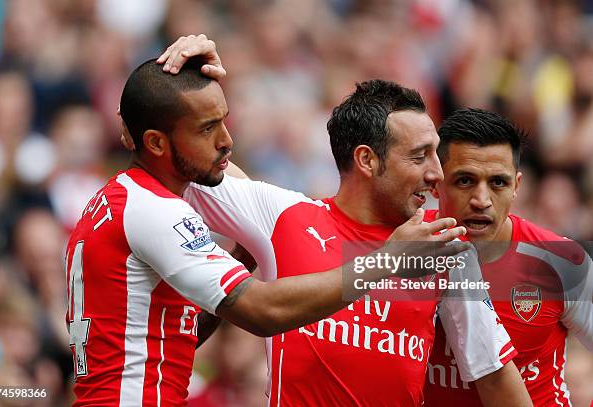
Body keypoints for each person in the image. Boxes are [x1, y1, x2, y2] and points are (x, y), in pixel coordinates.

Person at [65, 36, 467, 405]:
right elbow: (261, 312)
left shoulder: (124, 198)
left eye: (224, 120)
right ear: (154, 142)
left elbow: (176, 335)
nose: (226, 140)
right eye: (208, 128)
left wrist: (243, 254)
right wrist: (387, 260)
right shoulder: (157, 209)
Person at [159, 38, 531, 406]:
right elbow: (174, 157)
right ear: (367, 160)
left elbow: (495, 377)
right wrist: (187, 78)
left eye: (436, 155)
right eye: (420, 157)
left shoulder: (442, 244)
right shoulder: (283, 215)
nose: (437, 174)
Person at [424, 108, 593, 406]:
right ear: (436, 183)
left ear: (517, 186)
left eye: (498, 183)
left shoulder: (561, 261)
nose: (481, 200)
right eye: (465, 180)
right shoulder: (403, 247)